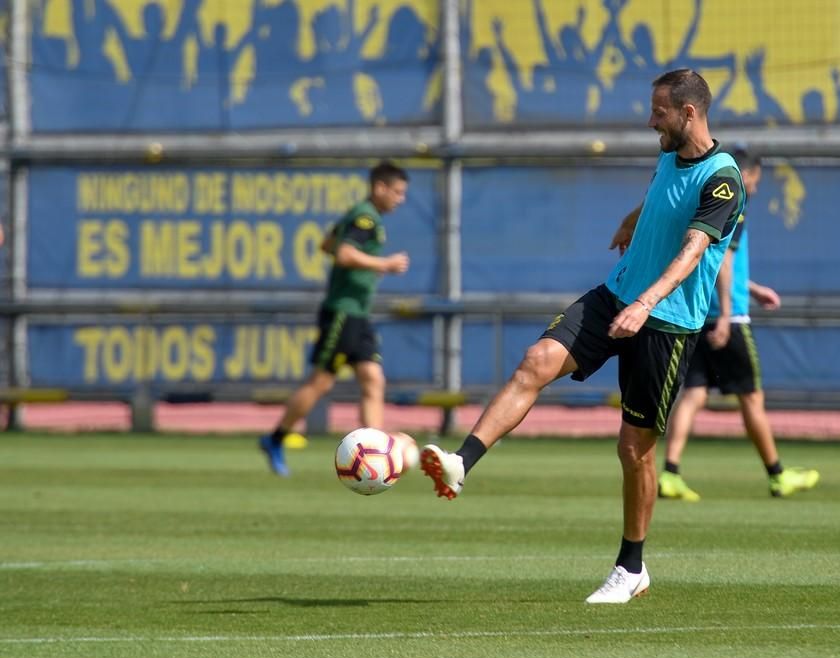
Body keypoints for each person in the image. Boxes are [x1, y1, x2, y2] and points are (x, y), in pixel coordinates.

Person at [420, 69, 745, 604]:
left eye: (659, 111)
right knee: (536, 360)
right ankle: (461, 462)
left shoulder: (722, 179)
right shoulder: (670, 155)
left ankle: (632, 568)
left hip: (665, 323)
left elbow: (693, 250)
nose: (650, 121)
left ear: (689, 113)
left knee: (634, 450)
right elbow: (664, 199)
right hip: (615, 295)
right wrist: (632, 221)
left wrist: (645, 304)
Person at [658, 150, 820, 502]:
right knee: (751, 397)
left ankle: (670, 473)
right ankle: (777, 475)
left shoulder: (702, 201)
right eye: (756, 181)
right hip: (726, 318)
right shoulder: (736, 203)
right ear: (744, 175)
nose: (755, 189)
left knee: (694, 394)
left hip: (697, 314)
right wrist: (728, 315)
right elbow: (726, 262)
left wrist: (753, 288)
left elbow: (708, 260)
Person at [259, 162, 410, 476]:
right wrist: (383, 264)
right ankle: (275, 438)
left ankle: (374, 457)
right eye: (397, 192)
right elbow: (343, 254)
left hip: (358, 313)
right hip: (343, 312)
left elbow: (328, 243)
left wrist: (360, 263)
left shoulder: (361, 214)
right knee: (322, 381)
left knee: (373, 379)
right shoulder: (365, 218)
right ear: (379, 187)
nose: (401, 199)